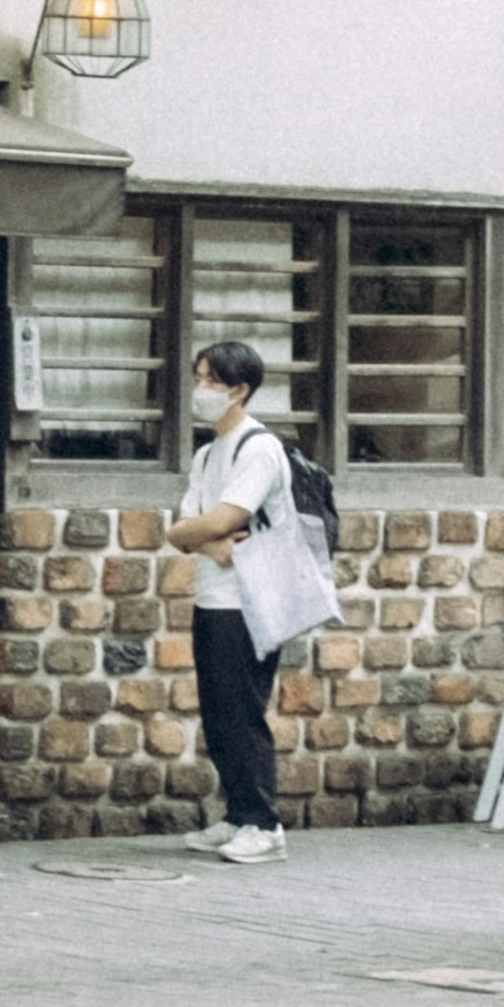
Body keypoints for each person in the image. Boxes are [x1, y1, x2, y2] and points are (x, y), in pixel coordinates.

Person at [165, 331, 293, 861]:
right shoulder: (205, 455)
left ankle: (264, 825)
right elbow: (178, 530)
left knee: (243, 712)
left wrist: (206, 533)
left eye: (210, 382)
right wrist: (204, 538)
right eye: (197, 379)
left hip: (252, 601)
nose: (200, 390)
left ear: (239, 390)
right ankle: (238, 814)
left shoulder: (258, 448)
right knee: (218, 714)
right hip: (213, 599)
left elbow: (223, 518)